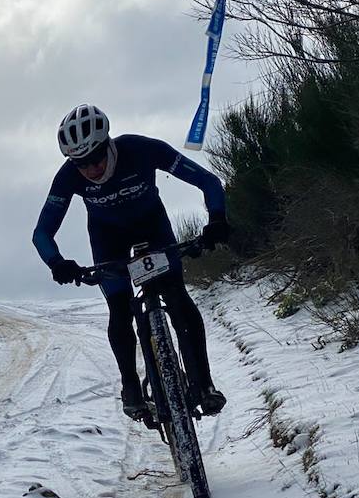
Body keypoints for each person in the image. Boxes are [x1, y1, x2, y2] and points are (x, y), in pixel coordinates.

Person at [32, 103, 230, 426]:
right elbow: (41, 232)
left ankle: (204, 383)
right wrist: (57, 262)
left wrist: (217, 218)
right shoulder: (68, 177)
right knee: (120, 311)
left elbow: (208, 181)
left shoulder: (141, 150)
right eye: (81, 163)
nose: (91, 168)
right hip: (107, 240)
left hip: (154, 229)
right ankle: (130, 387)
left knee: (179, 299)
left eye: (96, 157)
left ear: (108, 143)